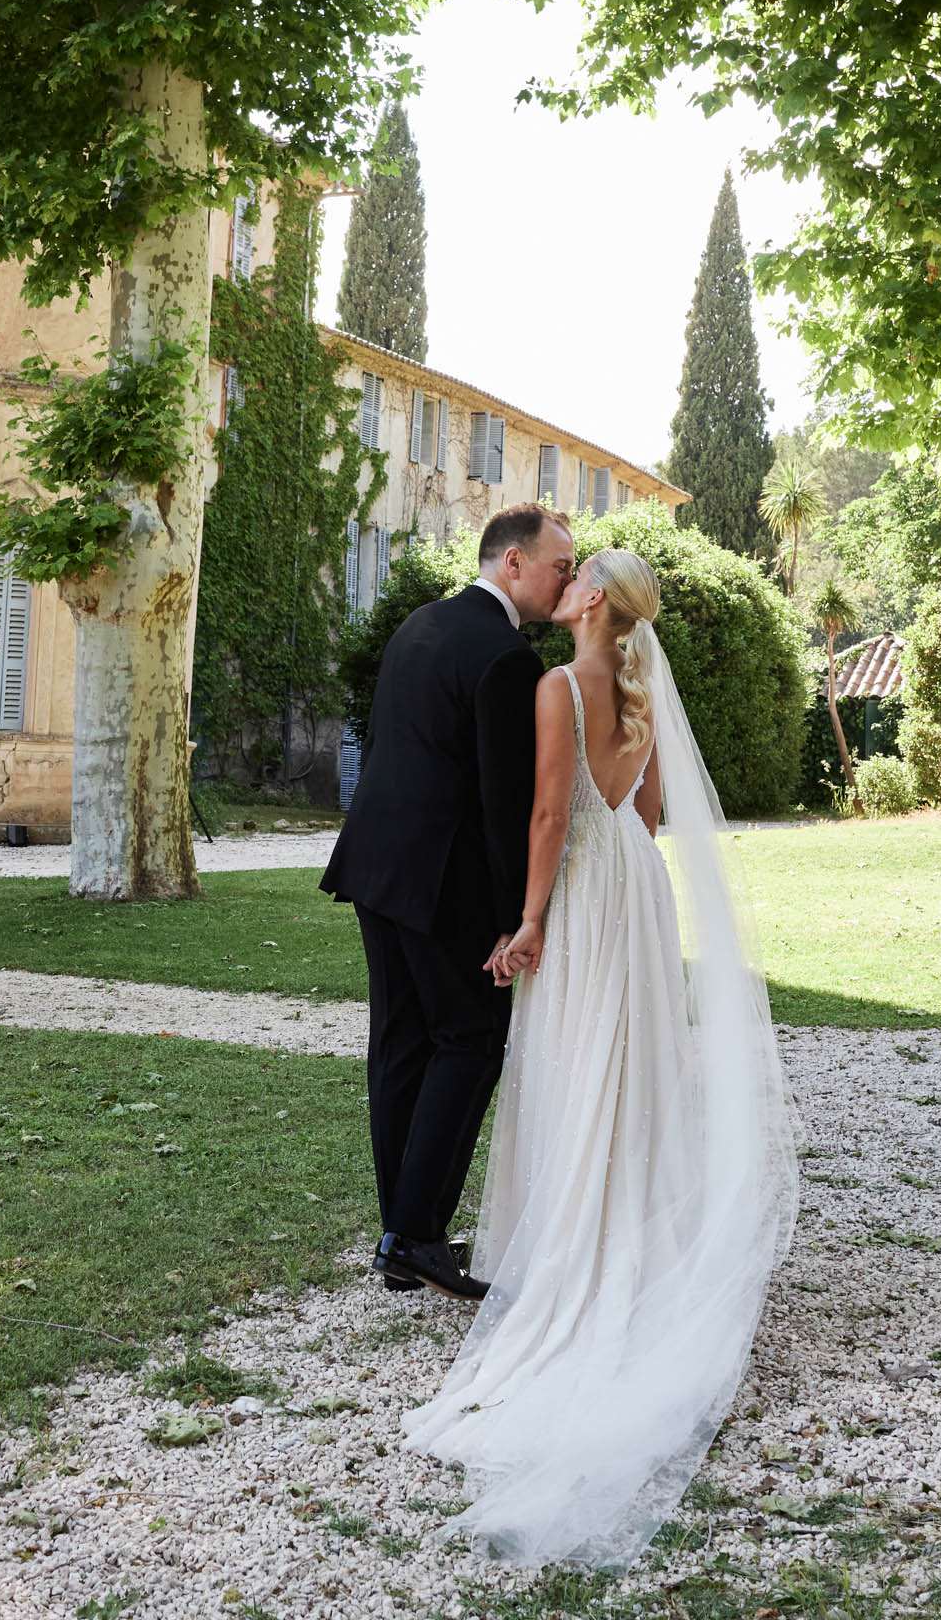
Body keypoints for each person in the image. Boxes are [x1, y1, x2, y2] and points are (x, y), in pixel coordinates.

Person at [402, 547, 800, 1566]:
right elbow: (655, 812)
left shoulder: (555, 687)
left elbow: (545, 814)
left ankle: (579, 1251)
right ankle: (640, 1235)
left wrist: (528, 918)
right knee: (637, 1065)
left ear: (591, 604)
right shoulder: (639, 686)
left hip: (582, 891)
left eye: (582, 576)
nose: (567, 581)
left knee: (579, 1061)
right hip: (638, 884)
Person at [320, 502, 576, 1301]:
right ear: (512, 563)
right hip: (442, 882)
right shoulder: (506, 659)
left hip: (375, 866)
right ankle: (417, 1236)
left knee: (400, 1046)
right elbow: (504, 805)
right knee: (467, 1042)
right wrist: (515, 915)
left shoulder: (419, 624)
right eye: (558, 564)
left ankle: (402, 1235)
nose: (566, 576)